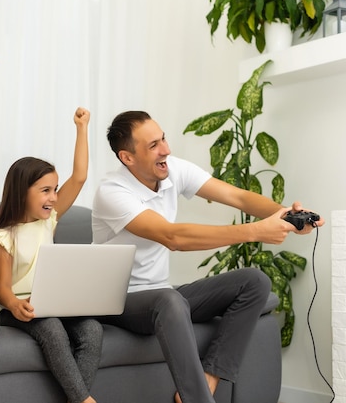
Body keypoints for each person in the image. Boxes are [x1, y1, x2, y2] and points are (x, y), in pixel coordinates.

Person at [92, 111, 324, 403]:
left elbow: (238, 197)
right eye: (153, 145)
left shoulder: (171, 169)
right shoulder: (112, 193)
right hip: (119, 302)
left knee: (254, 281)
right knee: (169, 299)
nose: (166, 149)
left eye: (162, 138)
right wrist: (255, 231)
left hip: (161, 296)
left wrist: (287, 216)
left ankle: (209, 377)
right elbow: (172, 237)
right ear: (127, 158)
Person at [0, 108, 102, 403]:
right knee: (52, 330)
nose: (53, 197)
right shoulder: (4, 237)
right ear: (22, 192)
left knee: (92, 329)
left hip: (51, 303)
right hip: (16, 310)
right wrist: (16, 305)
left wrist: (82, 128)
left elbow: (81, 176)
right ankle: (84, 400)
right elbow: (4, 291)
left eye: (55, 190)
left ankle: (77, 398)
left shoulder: (49, 221)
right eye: (45, 190)